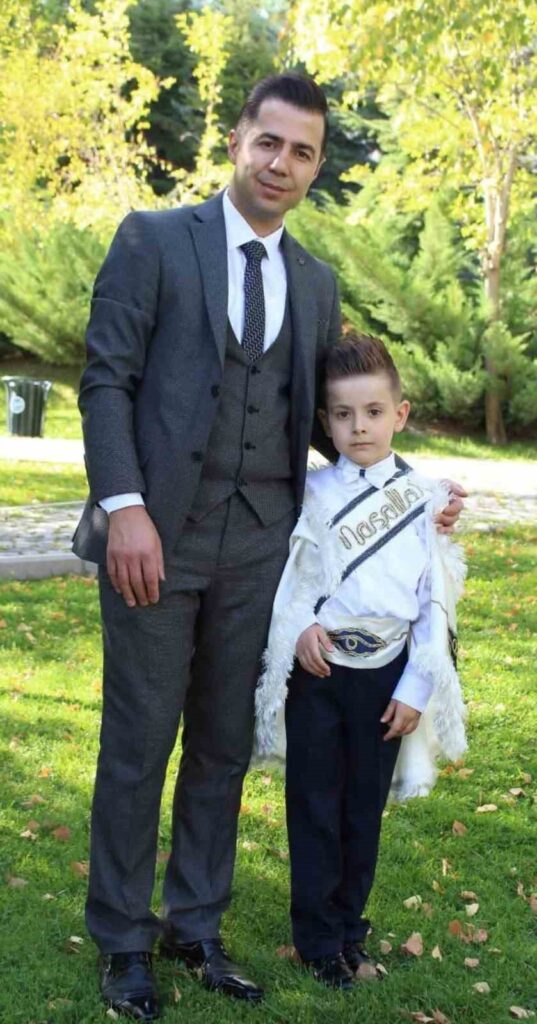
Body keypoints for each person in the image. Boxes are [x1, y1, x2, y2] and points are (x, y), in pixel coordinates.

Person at [73, 73, 464, 1020]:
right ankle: (122, 939)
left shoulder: (317, 282)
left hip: (261, 552)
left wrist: (413, 496)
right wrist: (125, 507)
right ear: (237, 142)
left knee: (222, 743)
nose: (281, 163)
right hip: (155, 540)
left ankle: (194, 925)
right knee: (139, 743)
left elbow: (333, 424)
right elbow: (106, 380)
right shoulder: (152, 240)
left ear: (316, 166)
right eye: (268, 142)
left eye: (302, 151)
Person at [255, 332, 467, 990]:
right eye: (343, 415)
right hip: (320, 675)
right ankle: (317, 941)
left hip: (386, 677)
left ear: (399, 413)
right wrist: (299, 629)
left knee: (361, 811)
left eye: (373, 412)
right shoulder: (311, 492)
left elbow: (434, 599)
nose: (359, 427)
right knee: (313, 806)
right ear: (325, 421)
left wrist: (416, 686)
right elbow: (292, 576)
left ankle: (349, 928)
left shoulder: (425, 497)